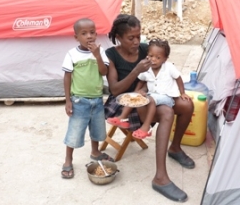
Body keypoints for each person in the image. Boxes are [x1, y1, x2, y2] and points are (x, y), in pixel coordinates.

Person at [104, 14, 194, 202]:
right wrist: (136, 71)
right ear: (119, 38)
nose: (137, 42)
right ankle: (160, 178)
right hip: (126, 101)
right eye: (131, 38)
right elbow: (114, 89)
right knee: (168, 112)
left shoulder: (145, 49)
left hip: (151, 95)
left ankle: (175, 148)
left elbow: (164, 66)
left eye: (138, 36)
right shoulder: (112, 55)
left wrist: (177, 89)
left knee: (187, 105)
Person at [107, 38, 192, 141]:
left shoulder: (169, 67)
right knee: (134, 96)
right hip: (152, 95)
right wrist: (136, 92)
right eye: (151, 56)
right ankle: (121, 118)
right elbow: (141, 81)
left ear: (165, 59)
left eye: (158, 57)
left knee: (150, 99)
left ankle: (146, 127)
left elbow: (178, 78)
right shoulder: (147, 68)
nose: (153, 60)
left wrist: (182, 93)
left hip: (167, 97)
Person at [61, 18, 114, 179]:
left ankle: (95, 151)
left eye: (92, 32)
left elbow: (104, 72)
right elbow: (67, 77)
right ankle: (68, 159)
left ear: (96, 34)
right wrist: (68, 100)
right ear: (76, 37)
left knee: (97, 130)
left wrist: (97, 55)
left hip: (97, 100)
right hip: (79, 101)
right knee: (75, 131)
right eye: (84, 34)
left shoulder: (101, 51)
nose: (89, 36)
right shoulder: (72, 54)